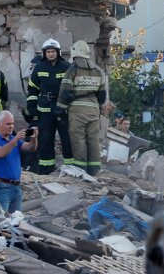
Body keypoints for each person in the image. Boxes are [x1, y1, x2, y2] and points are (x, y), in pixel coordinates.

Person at [57, 40, 110, 175]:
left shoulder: (72, 70)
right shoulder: (98, 71)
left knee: (78, 138)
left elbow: (66, 92)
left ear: (75, 54)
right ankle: (94, 169)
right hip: (93, 110)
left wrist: (59, 110)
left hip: (77, 110)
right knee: (93, 139)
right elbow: (102, 96)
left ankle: (81, 170)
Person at [25, 38, 73, 173]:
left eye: (53, 51)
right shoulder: (39, 67)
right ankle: (46, 168)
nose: (51, 54)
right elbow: (32, 89)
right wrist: (32, 108)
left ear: (58, 52)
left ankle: (71, 167)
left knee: (67, 138)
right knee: (45, 139)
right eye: (48, 52)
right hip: (44, 109)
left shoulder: (67, 67)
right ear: (44, 53)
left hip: (62, 109)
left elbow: (72, 89)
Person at [0, 111, 38, 213]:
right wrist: (15, 139)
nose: (11, 127)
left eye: (12, 124)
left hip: (16, 187)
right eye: (8, 124)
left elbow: (30, 148)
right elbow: (1, 153)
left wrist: (34, 138)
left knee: (16, 220)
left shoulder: (13, 139)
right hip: (2, 187)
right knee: (1, 220)